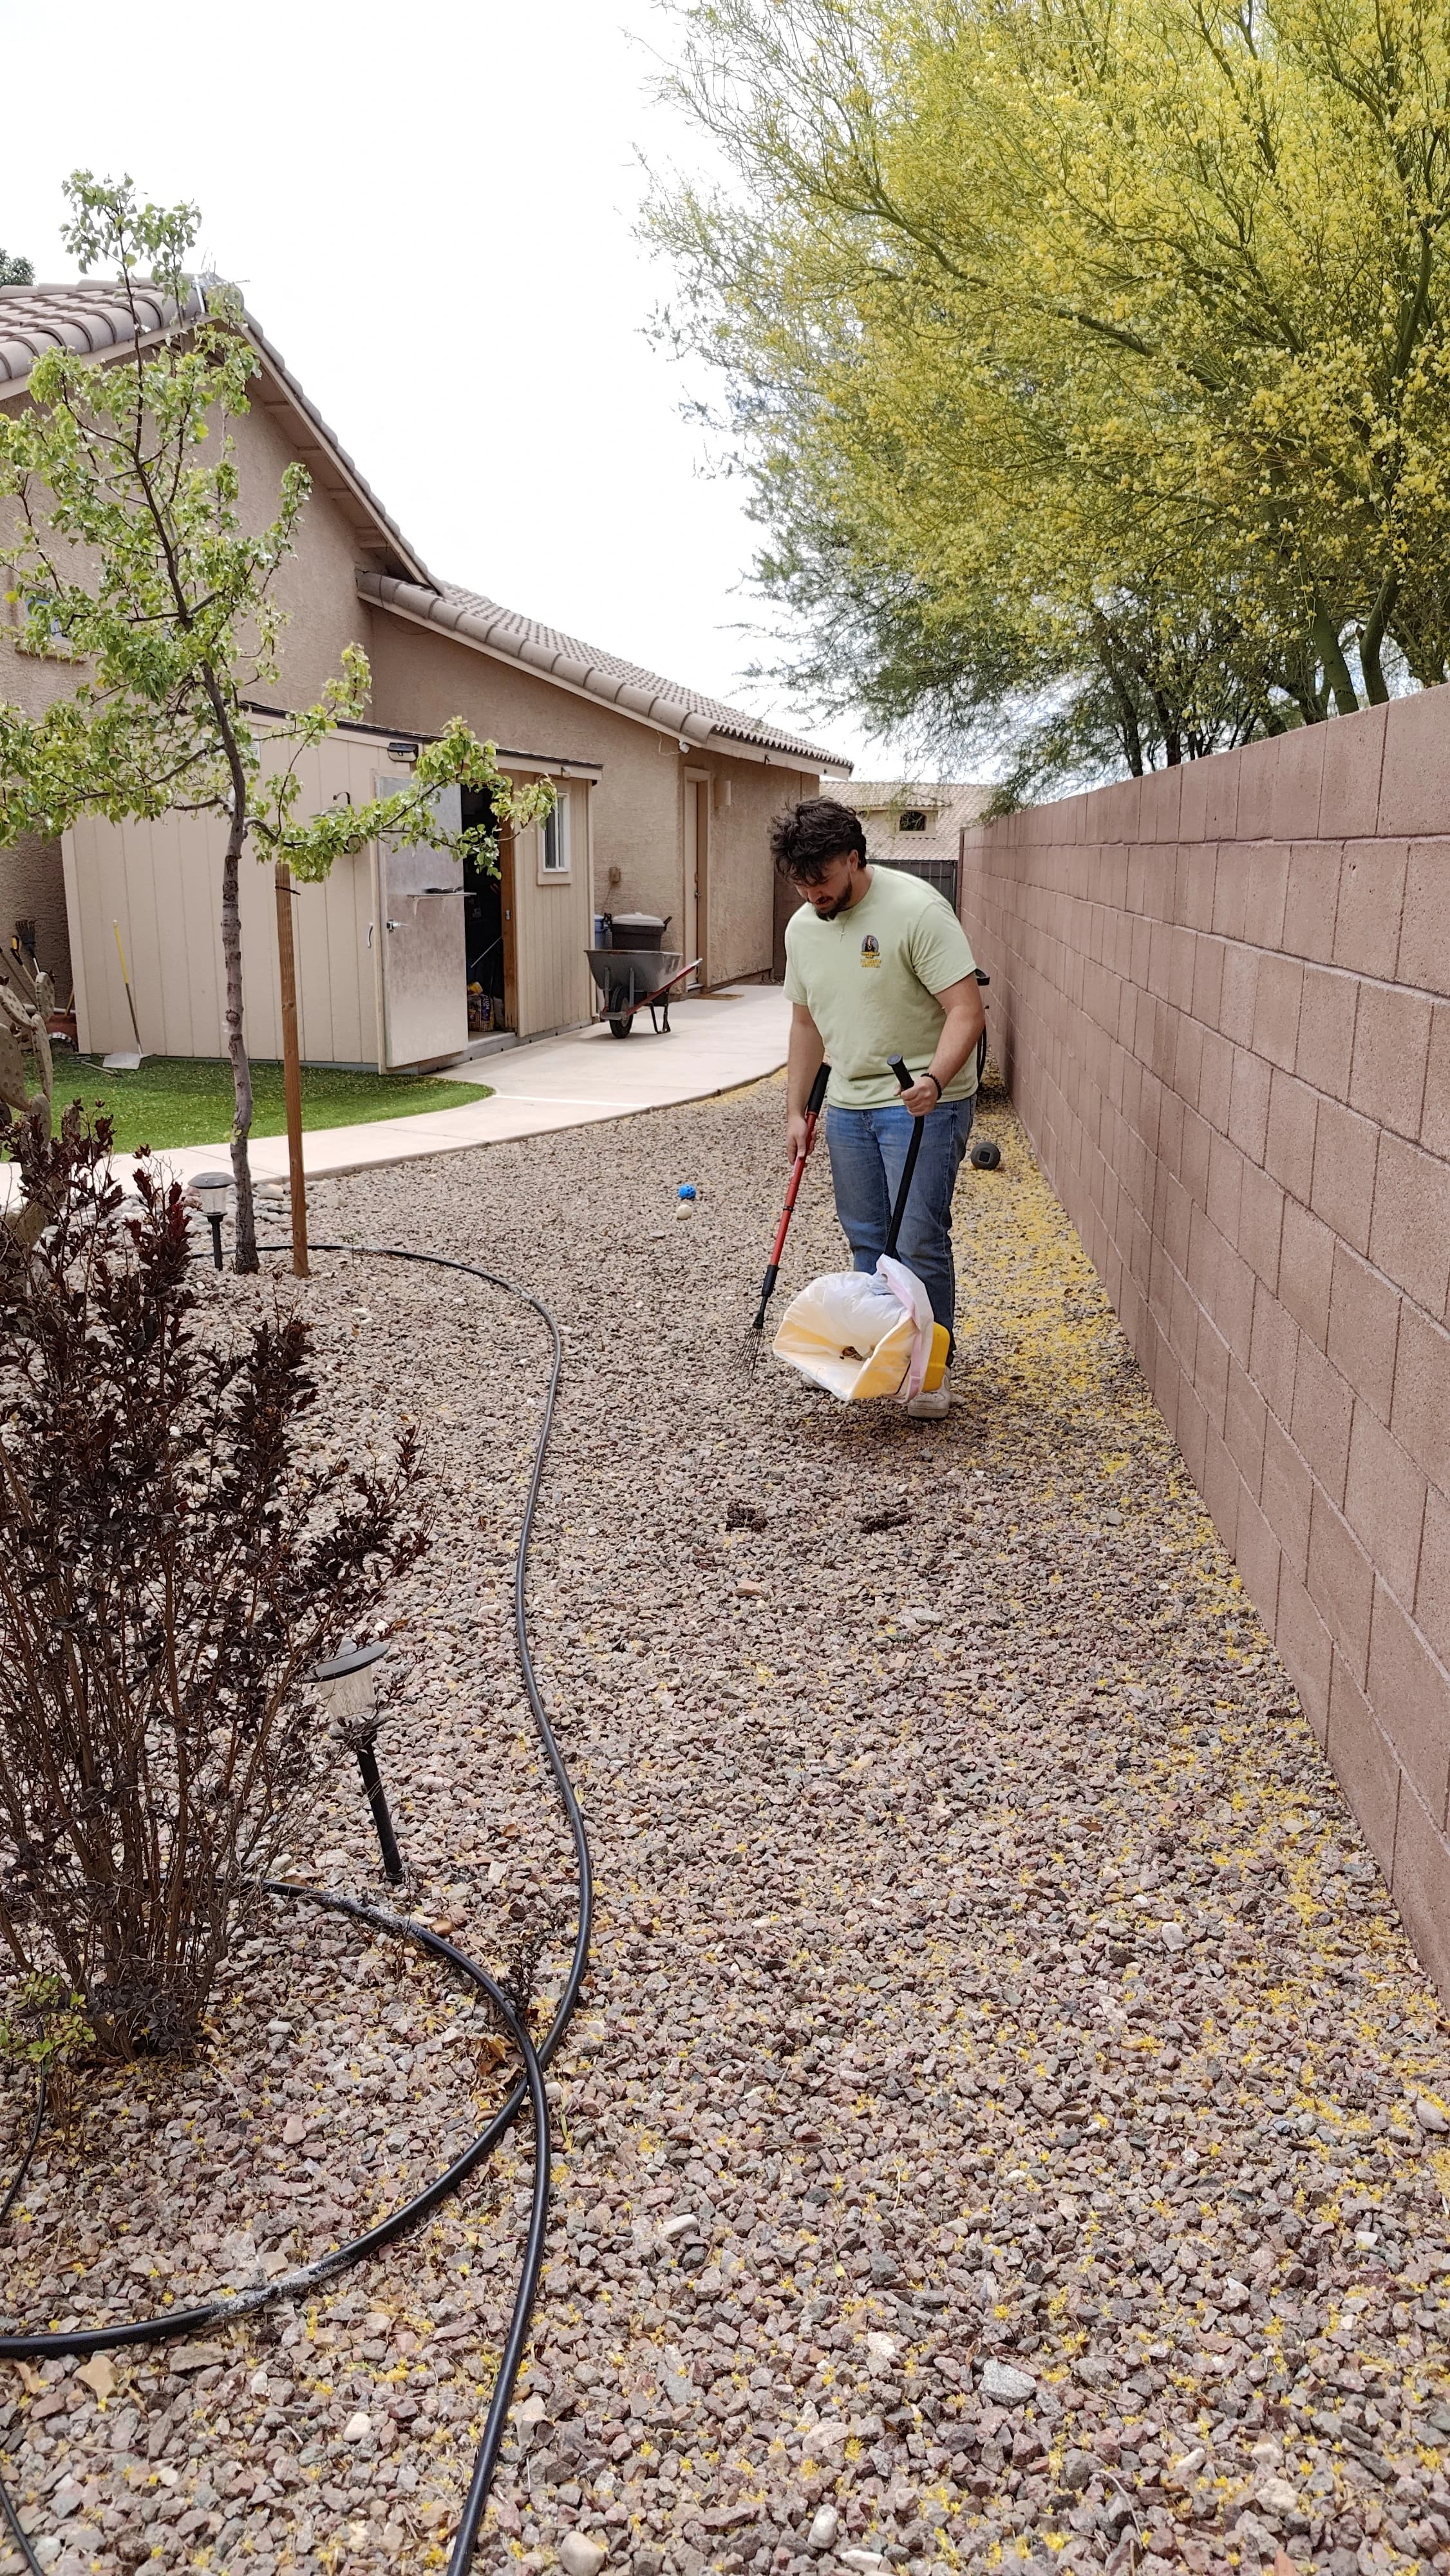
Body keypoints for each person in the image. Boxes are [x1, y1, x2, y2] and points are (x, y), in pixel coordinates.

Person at [773, 797, 986, 1421]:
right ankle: (883, 1352)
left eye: (822, 878)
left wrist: (935, 1076)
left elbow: (966, 1010)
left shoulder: (916, 909)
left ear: (852, 856)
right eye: (800, 882)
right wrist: (795, 1111)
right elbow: (805, 1025)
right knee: (867, 1240)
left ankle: (931, 1371)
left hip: (922, 1103)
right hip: (847, 1104)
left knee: (917, 1239)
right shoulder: (802, 929)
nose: (813, 893)